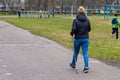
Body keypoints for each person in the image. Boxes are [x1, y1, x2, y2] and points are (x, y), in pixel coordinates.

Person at [70, 6, 91, 73]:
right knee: (85, 53)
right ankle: (86, 66)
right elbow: (89, 29)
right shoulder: (87, 20)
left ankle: (73, 64)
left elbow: (74, 29)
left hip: (78, 38)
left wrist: (71, 33)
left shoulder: (75, 20)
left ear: (78, 12)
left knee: (76, 52)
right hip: (85, 38)